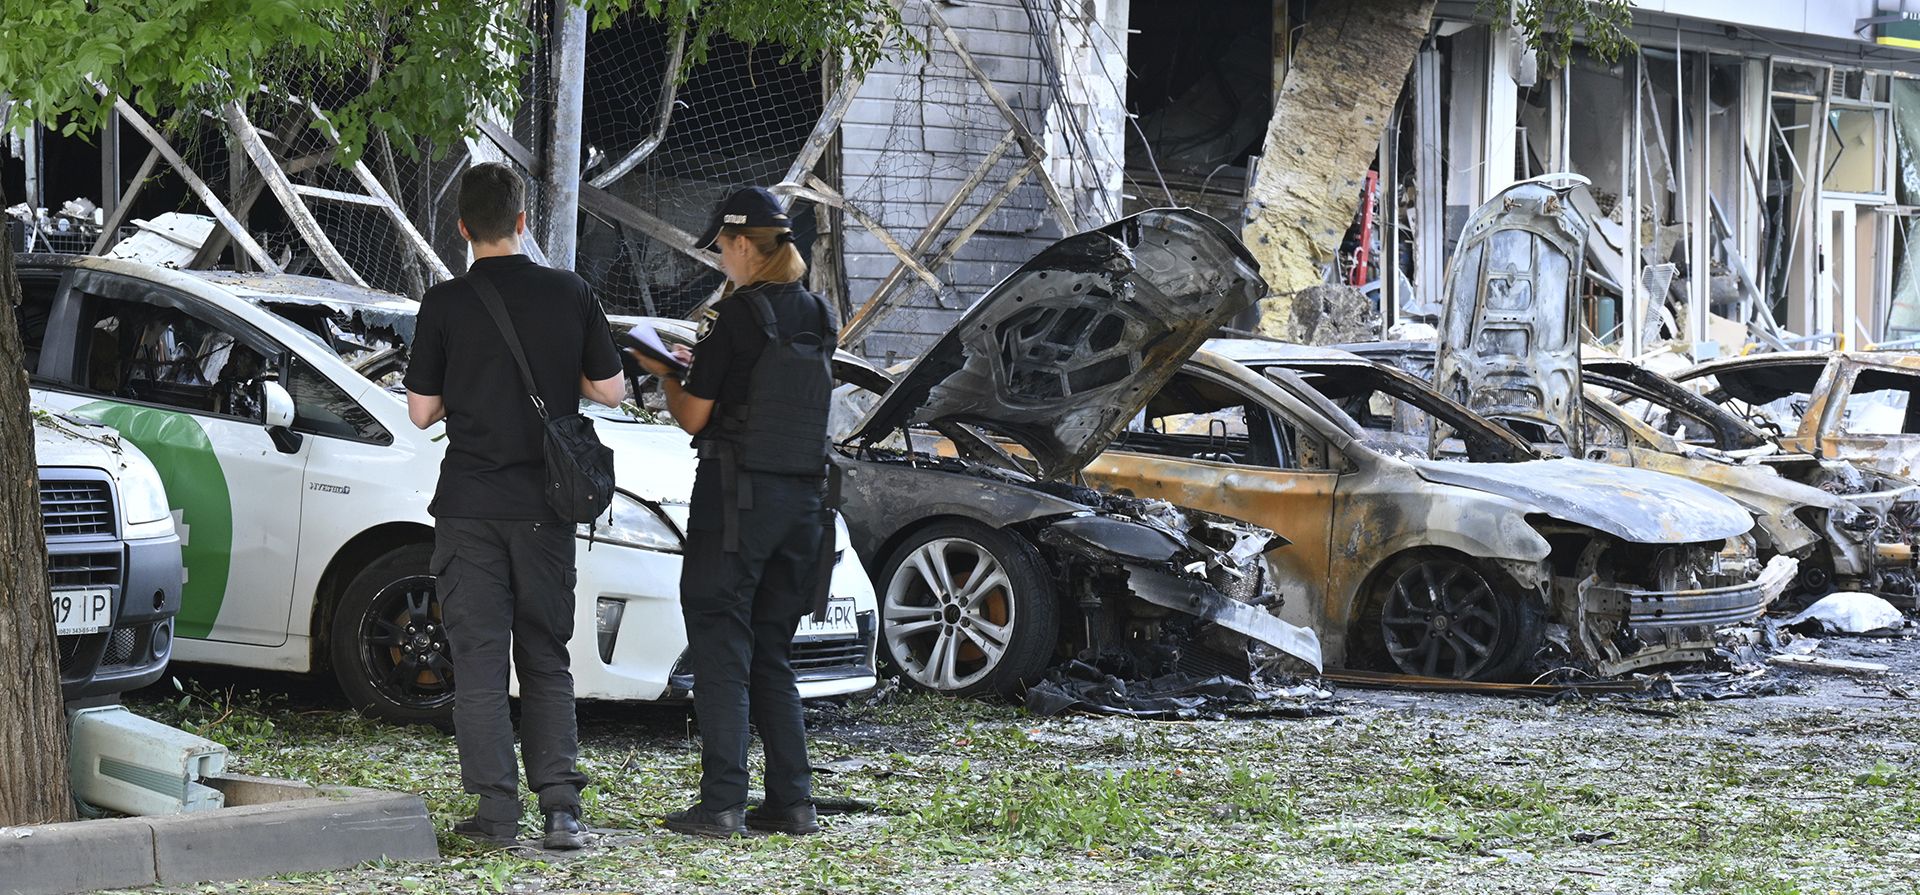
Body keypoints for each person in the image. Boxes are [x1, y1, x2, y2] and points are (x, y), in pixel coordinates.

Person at [404, 162, 626, 850]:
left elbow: (419, 413)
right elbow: (612, 390)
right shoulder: (571, 293)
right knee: (545, 655)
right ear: (523, 222)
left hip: (469, 506)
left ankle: (498, 815)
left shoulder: (445, 304)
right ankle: (561, 808)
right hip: (546, 509)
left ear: (463, 229)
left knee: (477, 662)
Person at [629, 186, 835, 838]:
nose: (720, 258)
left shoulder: (731, 316)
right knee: (770, 648)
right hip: (804, 505)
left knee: (721, 642)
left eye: (721, 246)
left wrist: (666, 371)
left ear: (745, 244)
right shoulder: (818, 315)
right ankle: (792, 801)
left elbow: (694, 412)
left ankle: (722, 803)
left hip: (737, 500)